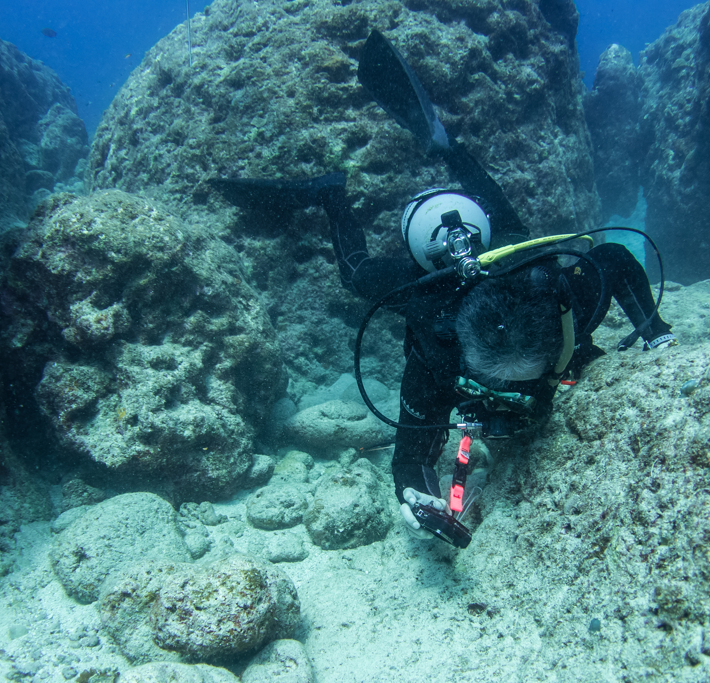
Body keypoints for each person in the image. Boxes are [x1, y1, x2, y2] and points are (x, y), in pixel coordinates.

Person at [211, 31, 675, 547]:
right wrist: (421, 503)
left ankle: (445, 146)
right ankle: (330, 193)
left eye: (529, 377)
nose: (514, 397)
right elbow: (409, 458)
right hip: (433, 284)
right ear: (461, 356)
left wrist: (655, 333)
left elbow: (611, 256)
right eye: (495, 383)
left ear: (557, 334)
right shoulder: (432, 347)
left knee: (501, 215)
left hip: (507, 249)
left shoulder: (564, 293)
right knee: (357, 274)